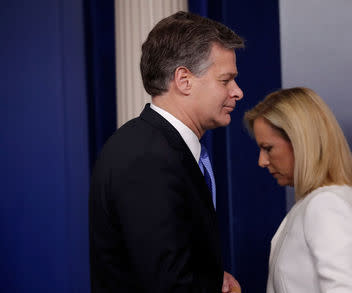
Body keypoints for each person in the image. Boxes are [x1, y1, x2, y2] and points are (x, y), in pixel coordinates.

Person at [89, 11, 244, 293]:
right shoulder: (147, 157)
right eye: (226, 80)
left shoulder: (157, 146)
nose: (238, 92)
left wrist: (211, 277)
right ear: (184, 79)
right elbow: (166, 283)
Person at [244, 87, 352, 293]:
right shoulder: (340, 195)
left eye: (268, 148)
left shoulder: (326, 204)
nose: (262, 161)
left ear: (300, 142)